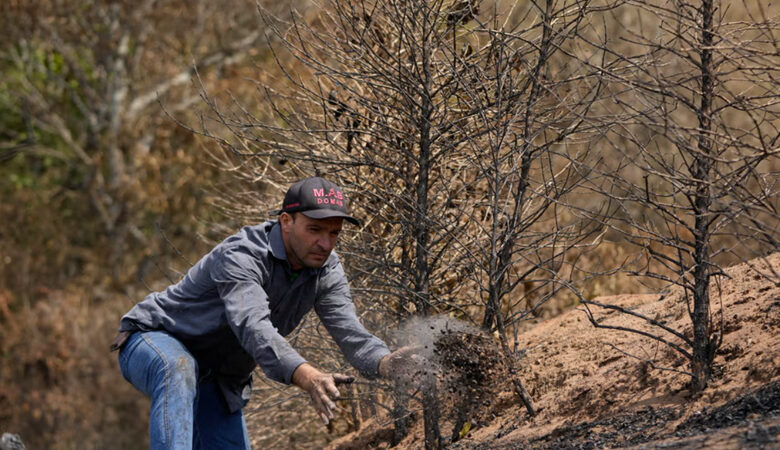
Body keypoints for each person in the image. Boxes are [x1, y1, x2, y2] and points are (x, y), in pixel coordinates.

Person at [112, 176, 410, 449]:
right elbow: (253, 326)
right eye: (315, 229)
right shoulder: (243, 255)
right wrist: (308, 376)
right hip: (152, 339)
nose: (325, 243)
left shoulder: (326, 270)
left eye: (334, 233)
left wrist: (386, 363)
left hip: (218, 378)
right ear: (286, 221)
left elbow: (350, 333)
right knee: (178, 366)